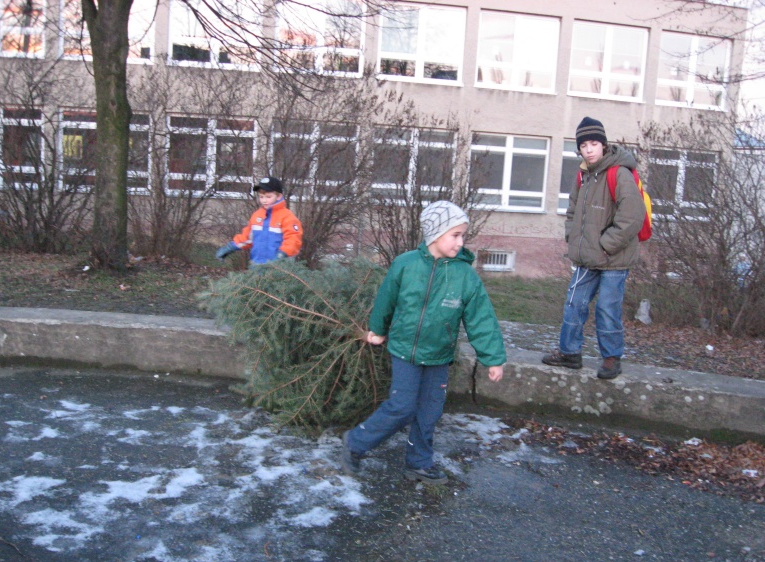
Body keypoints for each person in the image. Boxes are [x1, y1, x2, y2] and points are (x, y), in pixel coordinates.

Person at [340, 201, 506, 485]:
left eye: (463, 235)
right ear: (435, 234)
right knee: (403, 406)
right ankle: (355, 442)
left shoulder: (464, 275)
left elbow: (481, 318)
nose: (461, 242)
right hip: (405, 351)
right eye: (455, 235)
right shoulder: (406, 264)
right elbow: (386, 299)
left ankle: (418, 463)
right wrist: (378, 329)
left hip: (439, 354)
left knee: (430, 412)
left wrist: (493, 358)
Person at [542, 117, 645, 380]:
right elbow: (572, 210)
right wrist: (572, 237)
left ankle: (611, 358)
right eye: (583, 145)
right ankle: (569, 353)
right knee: (574, 303)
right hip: (587, 256)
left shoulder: (619, 173)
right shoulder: (582, 175)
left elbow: (633, 216)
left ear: (603, 144)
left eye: (594, 144)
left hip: (614, 257)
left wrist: (606, 246)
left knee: (607, 309)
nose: (589, 150)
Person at [215, 176, 302, 265]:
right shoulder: (257, 216)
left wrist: (282, 254)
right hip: (257, 265)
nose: (264, 200)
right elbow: (248, 237)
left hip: (280, 267)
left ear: (278, 196)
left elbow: (293, 239)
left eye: (268, 197)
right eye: (261, 197)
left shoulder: (287, 217)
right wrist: (230, 247)